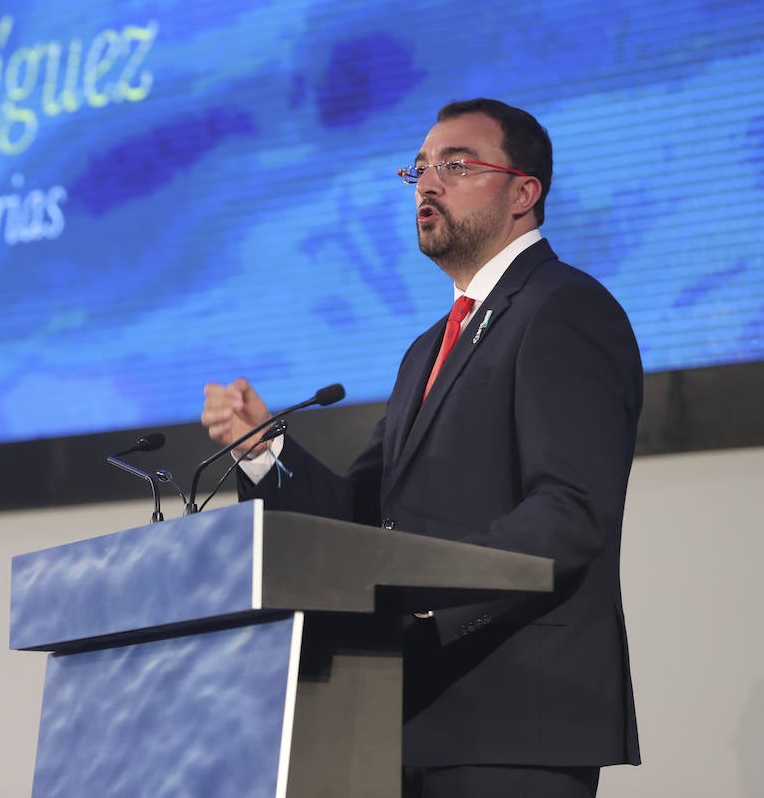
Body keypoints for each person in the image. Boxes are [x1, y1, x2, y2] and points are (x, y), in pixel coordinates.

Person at [202, 98, 642, 797]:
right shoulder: (427, 350)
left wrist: (420, 593)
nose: (428, 183)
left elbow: (570, 512)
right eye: (420, 169)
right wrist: (263, 450)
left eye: (456, 166)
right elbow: (359, 517)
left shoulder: (564, 309)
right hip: (402, 716)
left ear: (524, 193)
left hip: (516, 718)